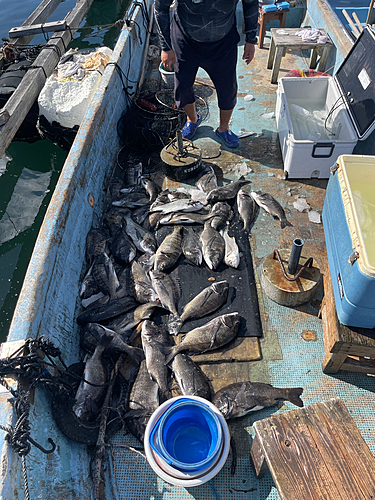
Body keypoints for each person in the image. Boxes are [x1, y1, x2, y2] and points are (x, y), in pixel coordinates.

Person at [154, 0, 259, 148]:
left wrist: (250, 39)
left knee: (228, 89)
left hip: (224, 42)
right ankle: (192, 119)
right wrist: (166, 47)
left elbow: (251, 4)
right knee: (183, 86)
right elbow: (160, 8)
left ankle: (224, 128)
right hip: (184, 39)